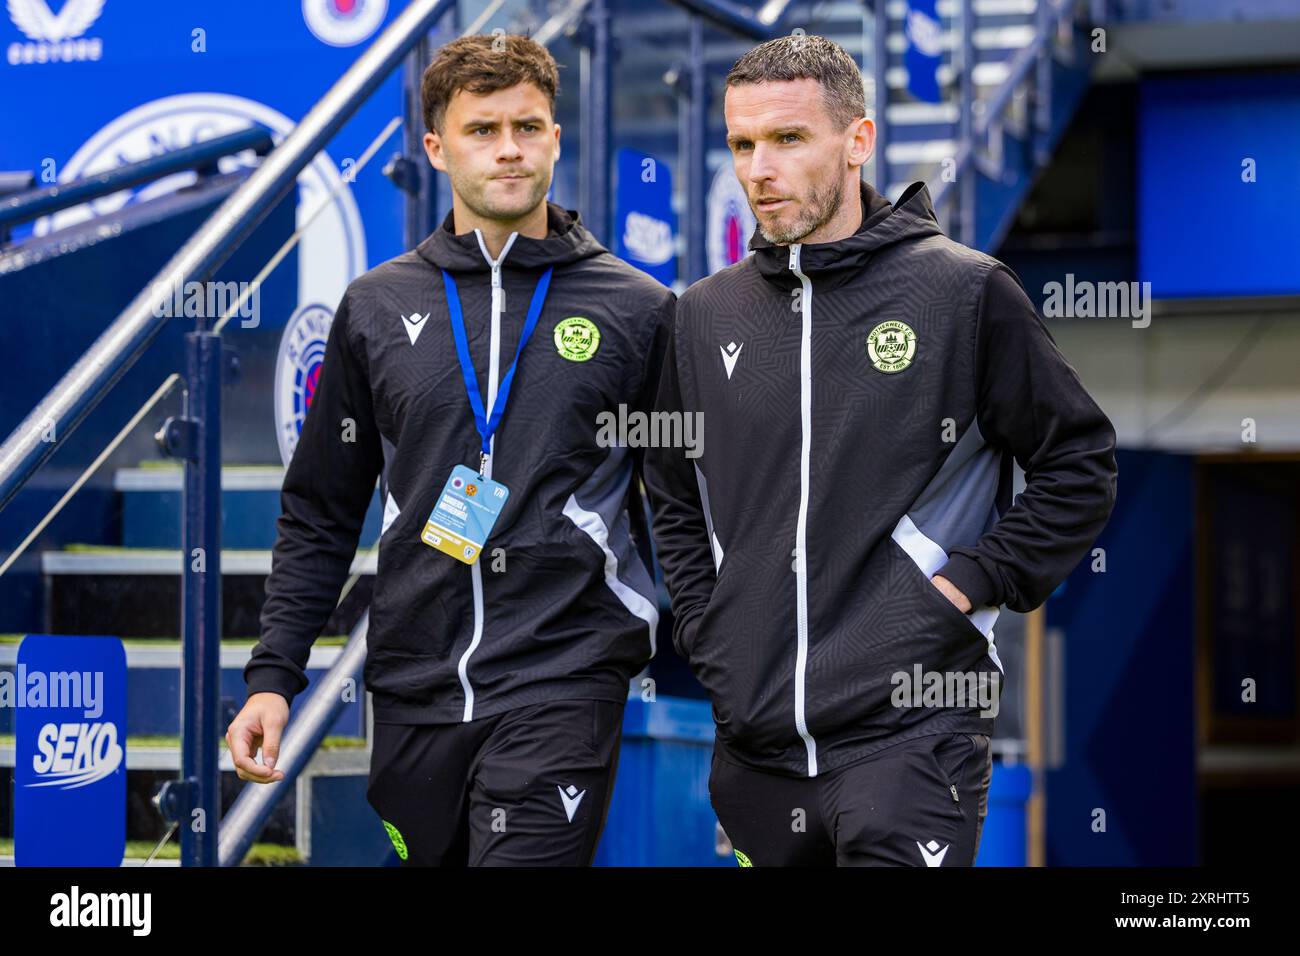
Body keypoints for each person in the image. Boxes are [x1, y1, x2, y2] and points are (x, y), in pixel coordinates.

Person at [644, 33, 1117, 866]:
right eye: (743, 144)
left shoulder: (965, 291)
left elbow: (1078, 463)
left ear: (858, 141)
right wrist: (707, 631)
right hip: (757, 748)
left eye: (789, 140)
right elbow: (675, 491)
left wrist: (971, 582)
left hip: (912, 730)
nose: (760, 168)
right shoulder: (701, 315)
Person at [226, 34, 674, 866]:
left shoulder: (638, 308)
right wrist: (273, 675)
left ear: (556, 137)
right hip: (415, 682)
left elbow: (689, 503)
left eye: (529, 126)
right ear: (436, 148)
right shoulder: (376, 305)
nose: (510, 149)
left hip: (564, 673)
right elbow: (322, 508)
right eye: (483, 130)